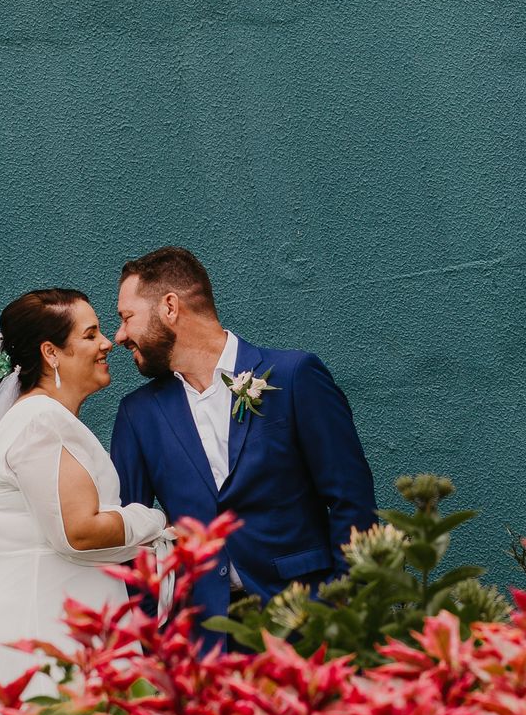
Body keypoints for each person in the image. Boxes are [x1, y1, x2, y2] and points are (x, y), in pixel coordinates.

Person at [109, 246, 376, 649]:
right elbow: (131, 536)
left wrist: (338, 605)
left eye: (127, 317)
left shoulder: (294, 376)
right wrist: (158, 636)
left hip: (308, 619)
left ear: (169, 307)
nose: (119, 335)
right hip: (204, 642)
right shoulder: (137, 414)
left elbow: (351, 501)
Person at [0, 288, 168, 715]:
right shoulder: (41, 422)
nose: (107, 343)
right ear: (51, 353)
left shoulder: (38, 418)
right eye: (90, 334)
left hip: (51, 625)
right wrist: (153, 521)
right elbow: (79, 532)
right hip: (45, 633)